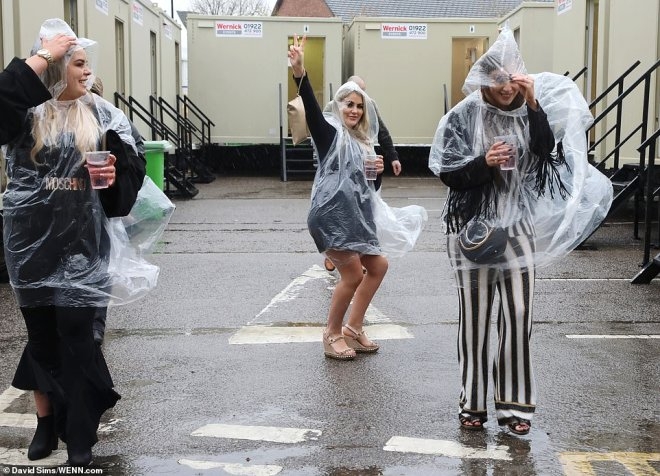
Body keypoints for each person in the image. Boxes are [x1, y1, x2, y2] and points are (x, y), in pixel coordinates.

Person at [429, 27, 612, 435]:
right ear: (483, 81)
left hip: (518, 228)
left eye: (512, 78)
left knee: (519, 315)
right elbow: (447, 173)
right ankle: (472, 403)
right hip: (470, 231)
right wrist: (484, 163)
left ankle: (515, 408)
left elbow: (547, 152)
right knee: (474, 319)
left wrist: (533, 105)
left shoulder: (529, 108)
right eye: (497, 80)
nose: (506, 86)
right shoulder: (461, 117)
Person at [0, 19, 148, 466]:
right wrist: (42, 54)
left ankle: (79, 436)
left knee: (80, 339)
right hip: (30, 247)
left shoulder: (104, 114)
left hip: (84, 248)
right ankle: (47, 421)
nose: (87, 72)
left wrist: (114, 176)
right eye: (77, 63)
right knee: (43, 340)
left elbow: (132, 173)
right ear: (56, 67)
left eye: (87, 64)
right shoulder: (26, 114)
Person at [288, 34, 426, 360]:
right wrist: (300, 73)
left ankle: (353, 327)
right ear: (339, 106)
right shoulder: (330, 135)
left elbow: (369, 190)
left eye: (359, 105)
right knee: (352, 275)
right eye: (348, 104)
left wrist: (376, 169)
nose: (353, 110)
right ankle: (331, 334)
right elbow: (309, 105)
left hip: (356, 218)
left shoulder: (364, 143)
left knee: (378, 266)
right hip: (330, 216)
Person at [323, 74, 402, 273]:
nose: (357, 108)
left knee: (365, 214)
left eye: (362, 98)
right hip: (339, 177)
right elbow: (321, 140)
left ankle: (356, 254)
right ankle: (334, 255)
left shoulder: (369, 107)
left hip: (365, 167)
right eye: (353, 101)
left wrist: (391, 157)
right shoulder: (331, 109)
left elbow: (381, 130)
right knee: (340, 217)